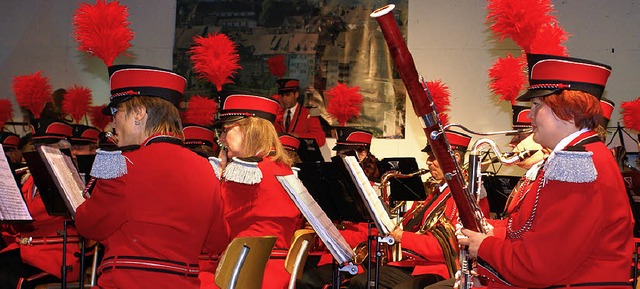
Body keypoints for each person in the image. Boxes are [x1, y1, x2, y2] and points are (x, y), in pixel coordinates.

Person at [458, 54, 634, 288]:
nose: (530, 115)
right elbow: (534, 237)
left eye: (537, 105)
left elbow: (539, 265)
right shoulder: (579, 157)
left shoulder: (577, 164)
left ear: (567, 111)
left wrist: (484, 247)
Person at [74, 64, 229, 289]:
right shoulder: (208, 169)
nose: (112, 123)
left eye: (117, 113)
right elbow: (217, 242)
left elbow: (88, 226)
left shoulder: (122, 164)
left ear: (138, 114)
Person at [348, 131, 488, 289]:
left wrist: (402, 237)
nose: (428, 162)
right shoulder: (438, 190)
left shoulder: (465, 195)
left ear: (455, 157)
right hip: (418, 263)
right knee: (360, 282)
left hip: (442, 268)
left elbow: (446, 248)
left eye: (433, 156)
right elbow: (412, 225)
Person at [210, 93, 303, 289]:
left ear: (249, 129)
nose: (221, 139)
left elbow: (214, 230)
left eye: (226, 130)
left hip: (243, 274)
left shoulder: (246, 174)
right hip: (278, 274)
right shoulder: (281, 168)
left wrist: (218, 175)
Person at [0, 118, 81, 289]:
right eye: (37, 146)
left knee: (7, 279)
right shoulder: (30, 179)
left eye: (46, 146)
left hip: (56, 257)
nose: (39, 152)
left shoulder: (72, 179)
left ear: (63, 149)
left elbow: (34, 215)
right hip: (27, 252)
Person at [274, 79, 327, 150]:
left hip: (300, 157)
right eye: (282, 96)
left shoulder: (308, 114)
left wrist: (298, 136)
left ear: (296, 94)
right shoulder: (278, 113)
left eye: (287, 95)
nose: (284, 99)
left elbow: (320, 139)